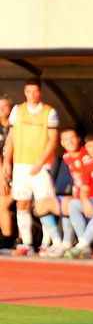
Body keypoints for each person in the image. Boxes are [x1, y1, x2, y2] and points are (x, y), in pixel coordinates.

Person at [1, 79, 61, 256]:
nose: (32, 95)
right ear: (25, 92)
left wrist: (40, 162)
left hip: (40, 166)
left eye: (35, 91)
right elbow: (11, 137)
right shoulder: (17, 111)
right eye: (29, 91)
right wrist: (7, 161)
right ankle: (26, 243)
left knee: (44, 204)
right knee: (22, 202)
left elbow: (53, 140)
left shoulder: (49, 112)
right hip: (20, 165)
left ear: (40, 92)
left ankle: (47, 242)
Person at [63, 135, 93, 258]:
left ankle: (81, 246)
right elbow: (84, 188)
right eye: (90, 146)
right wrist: (85, 201)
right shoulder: (87, 162)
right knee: (73, 204)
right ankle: (85, 246)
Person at [43, 128, 88, 257]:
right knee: (41, 204)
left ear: (79, 139)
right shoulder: (65, 158)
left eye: (72, 138)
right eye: (66, 139)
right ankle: (57, 243)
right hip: (71, 197)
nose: (70, 142)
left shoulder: (86, 155)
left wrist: (74, 196)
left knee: (68, 202)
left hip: (87, 198)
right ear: (62, 143)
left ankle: (68, 242)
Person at [0, 95, 15, 252]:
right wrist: (2, 179)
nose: (2, 110)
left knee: (2, 203)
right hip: (4, 174)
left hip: (20, 172)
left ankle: (7, 239)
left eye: (5, 106)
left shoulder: (17, 126)